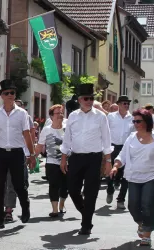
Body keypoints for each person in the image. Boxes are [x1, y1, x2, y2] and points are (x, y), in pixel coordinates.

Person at [0, 79, 36, 230]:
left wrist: (32, 155)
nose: (11, 95)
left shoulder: (22, 114)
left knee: (19, 185)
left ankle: (25, 206)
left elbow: (27, 135)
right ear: (1, 96)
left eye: (13, 93)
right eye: (7, 93)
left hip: (17, 153)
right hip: (1, 153)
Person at [110, 108, 154, 247]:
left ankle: (147, 235)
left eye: (139, 121)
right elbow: (122, 156)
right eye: (134, 121)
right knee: (132, 206)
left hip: (153, 176)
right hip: (134, 177)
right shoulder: (131, 138)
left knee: (147, 205)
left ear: (147, 121)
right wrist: (115, 166)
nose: (136, 124)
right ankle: (142, 223)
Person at [60, 84, 112, 235]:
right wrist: (63, 159)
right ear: (79, 100)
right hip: (75, 157)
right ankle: (85, 212)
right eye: (86, 98)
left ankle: (86, 224)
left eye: (91, 98)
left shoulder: (101, 116)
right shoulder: (73, 116)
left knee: (91, 192)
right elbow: (67, 139)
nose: (89, 101)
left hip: (94, 158)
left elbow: (107, 140)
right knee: (72, 189)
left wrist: (108, 162)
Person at [3, 99, 35, 221]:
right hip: (4, 155)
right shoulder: (1, 116)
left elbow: (30, 136)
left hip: (21, 154)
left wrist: (31, 154)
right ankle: (8, 209)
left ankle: (20, 206)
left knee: (20, 184)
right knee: (8, 183)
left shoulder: (25, 116)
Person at [35, 104, 68, 217]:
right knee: (53, 185)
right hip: (52, 162)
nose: (60, 115)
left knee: (65, 186)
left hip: (67, 162)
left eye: (62, 113)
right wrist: (33, 157)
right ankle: (54, 210)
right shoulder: (46, 130)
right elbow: (40, 145)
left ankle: (61, 205)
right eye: (58, 113)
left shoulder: (67, 128)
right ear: (51, 116)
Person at [106, 95, 134, 210]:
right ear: (119, 105)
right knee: (110, 170)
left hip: (126, 148)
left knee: (126, 174)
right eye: (124, 103)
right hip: (112, 146)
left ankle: (121, 199)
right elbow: (105, 131)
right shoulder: (111, 117)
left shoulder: (132, 118)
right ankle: (110, 189)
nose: (126, 105)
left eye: (128, 104)